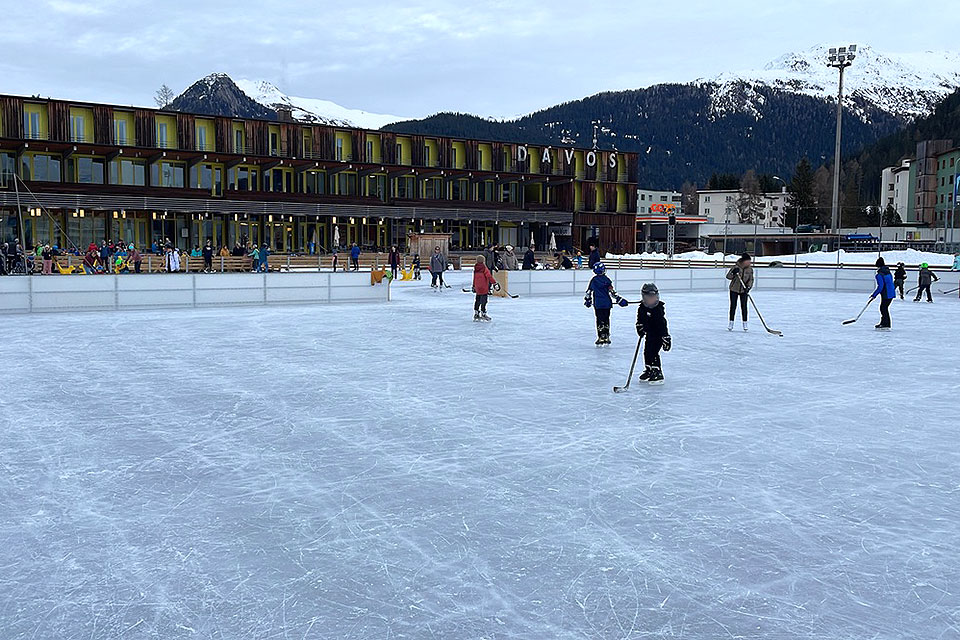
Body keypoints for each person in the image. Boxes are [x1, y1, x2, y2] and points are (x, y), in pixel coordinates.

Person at [583, 261, 628, 346]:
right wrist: (619, 299)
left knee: (600, 319)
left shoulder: (594, 280)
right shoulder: (607, 280)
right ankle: (606, 336)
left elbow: (588, 292)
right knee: (606, 319)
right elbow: (612, 292)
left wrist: (588, 300)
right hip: (607, 304)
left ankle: (601, 337)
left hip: (598, 304)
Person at [635, 283, 671, 385]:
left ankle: (657, 372)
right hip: (649, 335)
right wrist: (640, 327)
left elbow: (663, 324)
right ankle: (649, 369)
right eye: (649, 297)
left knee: (653, 352)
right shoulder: (642, 308)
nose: (652, 299)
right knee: (646, 352)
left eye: (654, 297)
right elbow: (640, 319)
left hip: (658, 335)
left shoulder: (658, 309)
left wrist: (666, 337)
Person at [726, 253, 754, 332]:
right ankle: (731, 323)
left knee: (744, 307)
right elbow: (728, 277)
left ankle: (745, 323)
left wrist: (748, 287)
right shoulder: (736, 267)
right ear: (744, 261)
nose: (749, 263)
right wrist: (733, 273)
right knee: (733, 306)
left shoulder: (750, 269)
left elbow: (751, 279)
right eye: (748, 261)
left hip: (744, 290)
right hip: (734, 289)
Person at [871, 257, 895, 330]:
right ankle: (884, 323)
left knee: (883, 308)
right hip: (891, 292)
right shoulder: (888, 272)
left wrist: (874, 295)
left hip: (886, 293)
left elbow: (880, 286)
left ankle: (885, 324)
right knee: (884, 308)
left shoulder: (879, 275)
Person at [472, 255, 497, 322]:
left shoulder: (476, 268)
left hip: (477, 287)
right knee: (484, 301)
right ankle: (483, 313)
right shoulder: (484, 268)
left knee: (477, 300)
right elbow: (489, 276)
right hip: (484, 287)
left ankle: (476, 313)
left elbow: (474, 278)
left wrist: (474, 286)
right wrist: (494, 283)